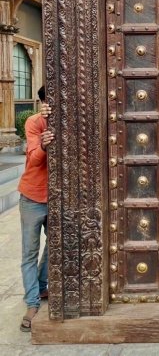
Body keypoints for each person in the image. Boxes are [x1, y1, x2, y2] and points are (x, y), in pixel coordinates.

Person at [18, 86, 54, 332]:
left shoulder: (68, 121)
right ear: (43, 103)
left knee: (58, 242)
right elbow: (33, 159)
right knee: (30, 252)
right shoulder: (34, 122)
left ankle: (41, 285)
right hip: (32, 197)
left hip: (57, 198)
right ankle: (32, 303)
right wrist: (43, 142)